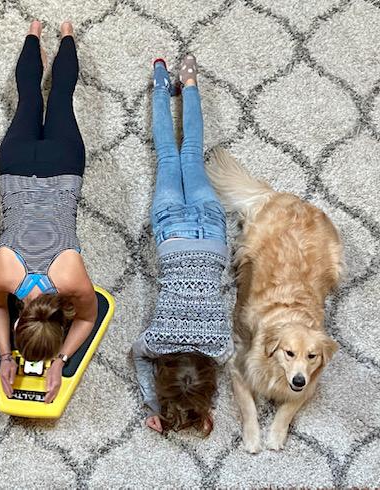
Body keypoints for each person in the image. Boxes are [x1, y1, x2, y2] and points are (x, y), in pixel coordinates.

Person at [0, 20, 97, 404]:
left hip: (63, 166)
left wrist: (13, 356)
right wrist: (56, 361)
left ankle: (59, 33)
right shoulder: (3, 271)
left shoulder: (71, 279)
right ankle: (43, 32)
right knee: (30, 96)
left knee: (58, 96)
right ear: (21, 322)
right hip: (15, 166)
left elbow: (85, 317)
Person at [132, 56, 232, 436]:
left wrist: (203, 406)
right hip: (173, 234)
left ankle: (188, 83)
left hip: (211, 236)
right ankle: (160, 81)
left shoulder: (220, 348)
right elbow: (138, 358)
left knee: (191, 153)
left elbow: (215, 377)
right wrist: (154, 405)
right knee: (168, 156)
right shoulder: (158, 340)